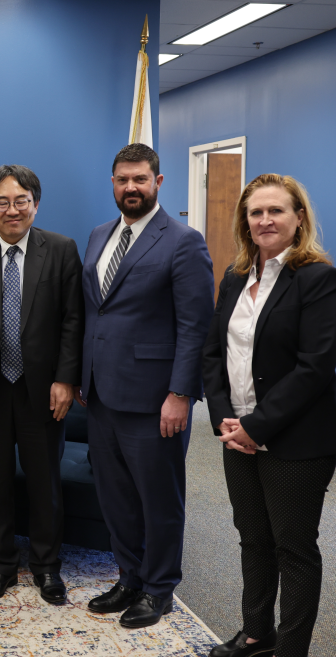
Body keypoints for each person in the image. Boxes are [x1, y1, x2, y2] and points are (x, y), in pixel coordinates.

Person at [201, 174, 336, 657]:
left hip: (297, 439)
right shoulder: (233, 277)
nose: (264, 220)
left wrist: (255, 426)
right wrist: (227, 420)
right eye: (255, 212)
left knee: (294, 549)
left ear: (299, 217)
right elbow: (213, 355)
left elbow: (315, 367)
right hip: (236, 433)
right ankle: (255, 634)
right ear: (244, 222)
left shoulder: (317, 278)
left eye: (276, 211)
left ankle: (291, 649)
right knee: (252, 539)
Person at [80, 143, 214, 628]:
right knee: (115, 496)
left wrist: (180, 394)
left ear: (158, 182)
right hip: (100, 394)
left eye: (140, 179)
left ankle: (159, 588)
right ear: (112, 183)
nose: (130, 187)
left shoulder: (183, 241)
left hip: (155, 399)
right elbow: (95, 311)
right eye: (122, 179)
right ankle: (129, 578)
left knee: (158, 499)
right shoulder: (99, 235)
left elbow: (195, 326)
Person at [0, 164, 83, 604]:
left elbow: (71, 321)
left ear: (35, 204)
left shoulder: (61, 250)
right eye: (2, 202)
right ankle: (1, 566)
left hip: (41, 389)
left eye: (20, 201)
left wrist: (65, 379)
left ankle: (46, 568)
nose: (12, 210)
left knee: (44, 482)